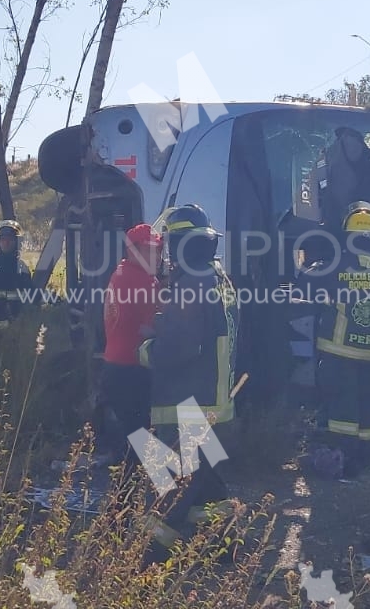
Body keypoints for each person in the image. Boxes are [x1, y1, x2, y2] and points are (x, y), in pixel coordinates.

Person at [136, 204, 240, 561]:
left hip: (187, 404)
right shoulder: (218, 279)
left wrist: (147, 347)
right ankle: (224, 545)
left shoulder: (191, 286)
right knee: (207, 481)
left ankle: (151, 557)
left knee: (174, 484)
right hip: (214, 401)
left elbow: (179, 348)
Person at [302, 201, 370, 479]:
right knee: (367, 409)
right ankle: (363, 459)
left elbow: (304, 284)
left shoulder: (332, 267)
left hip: (338, 355)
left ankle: (340, 462)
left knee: (341, 413)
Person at [98, 223, 162, 461]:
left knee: (134, 436)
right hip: (130, 369)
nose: (158, 256)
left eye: (159, 250)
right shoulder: (139, 280)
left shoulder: (124, 273)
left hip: (118, 366)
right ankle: (157, 488)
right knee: (140, 436)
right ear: (134, 251)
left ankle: (137, 490)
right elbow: (156, 325)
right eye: (152, 250)